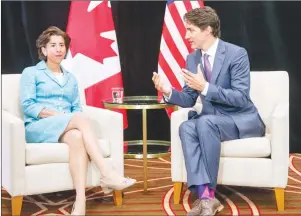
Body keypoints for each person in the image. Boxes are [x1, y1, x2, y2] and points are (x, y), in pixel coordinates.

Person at [152, 6, 265, 216]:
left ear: (208, 30)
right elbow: (187, 99)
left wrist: (205, 87)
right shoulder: (192, 58)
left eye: (191, 30)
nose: (186, 36)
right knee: (186, 127)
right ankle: (205, 197)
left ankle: (208, 195)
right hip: (212, 121)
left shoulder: (236, 54)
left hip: (240, 119)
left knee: (204, 122)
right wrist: (168, 91)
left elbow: (240, 98)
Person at [20, 26, 136, 215]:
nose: (59, 49)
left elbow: (75, 108)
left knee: (76, 137)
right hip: (38, 126)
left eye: (62, 45)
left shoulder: (71, 78)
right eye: (53, 45)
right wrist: (59, 116)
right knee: (79, 119)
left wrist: (69, 119)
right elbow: (28, 106)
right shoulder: (31, 73)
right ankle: (107, 172)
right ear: (43, 50)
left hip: (66, 127)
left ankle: (80, 200)